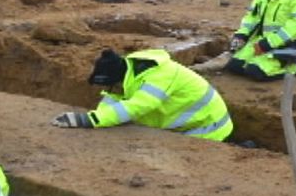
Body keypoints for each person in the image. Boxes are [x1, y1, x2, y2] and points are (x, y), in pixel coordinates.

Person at [51, 48, 233, 141]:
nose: (109, 91)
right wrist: (100, 118)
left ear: (119, 80)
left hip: (209, 127)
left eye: (111, 86)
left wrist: (90, 120)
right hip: (188, 125)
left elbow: (137, 106)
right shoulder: (129, 73)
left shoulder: (158, 76)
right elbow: (112, 98)